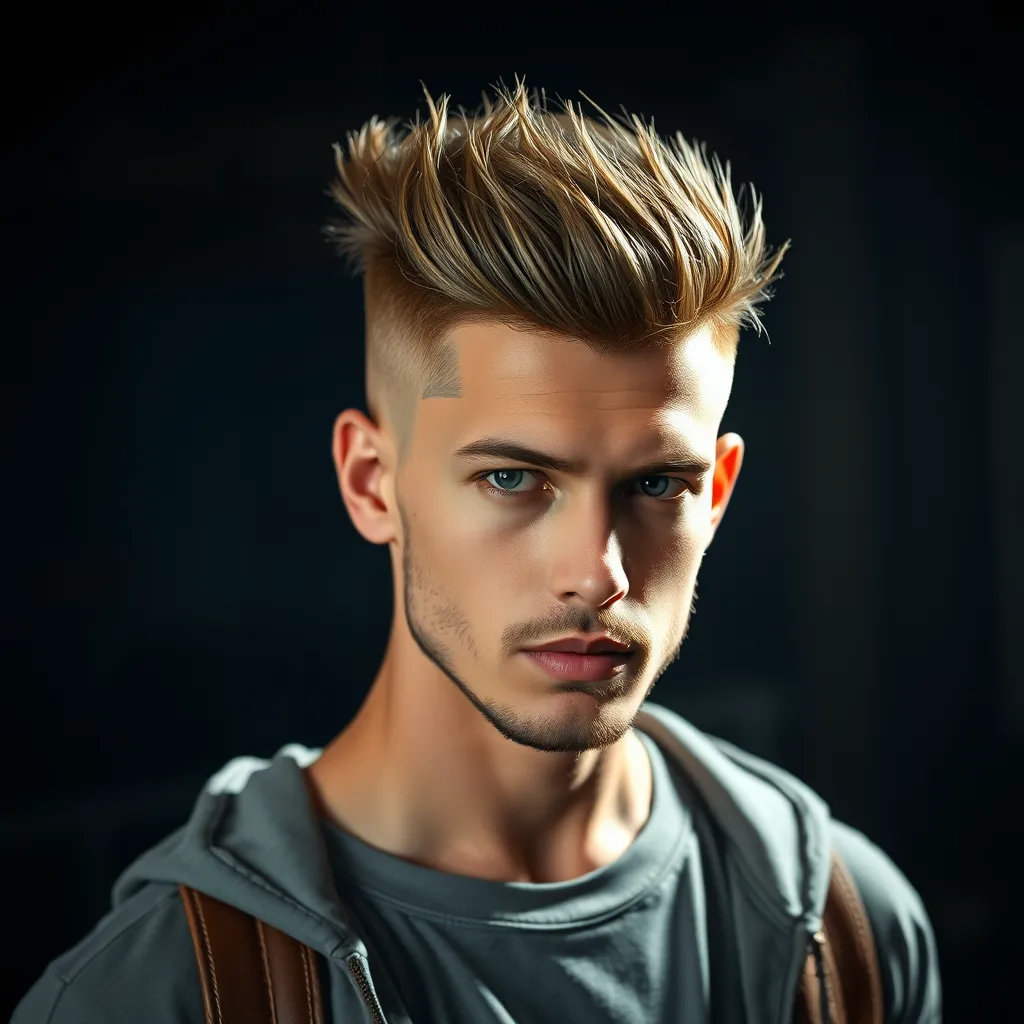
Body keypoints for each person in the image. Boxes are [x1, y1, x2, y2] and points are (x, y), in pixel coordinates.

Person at [12, 78, 941, 1023]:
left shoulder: (847, 936)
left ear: (717, 494)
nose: (598, 573)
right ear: (372, 482)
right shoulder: (146, 998)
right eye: (512, 478)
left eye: (658, 484)